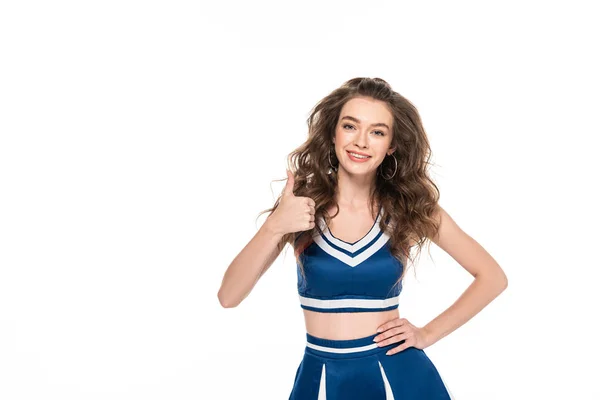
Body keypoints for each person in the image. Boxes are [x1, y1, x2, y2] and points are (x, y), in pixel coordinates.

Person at [217, 77, 508, 399]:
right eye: (350, 126)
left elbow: (492, 277)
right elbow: (229, 296)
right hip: (320, 377)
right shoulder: (300, 206)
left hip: (397, 377)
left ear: (391, 145)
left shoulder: (408, 208)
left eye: (378, 132)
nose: (362, 142)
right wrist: (274, 226)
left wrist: (428, 333)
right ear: (333, 133)